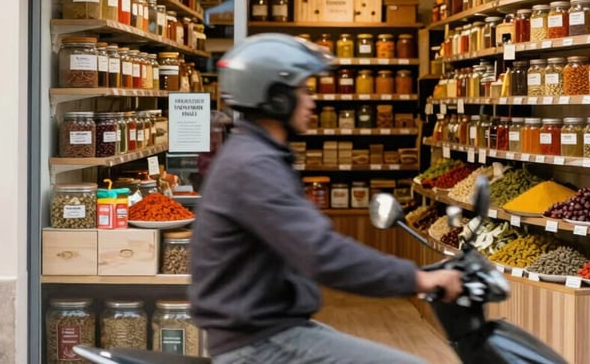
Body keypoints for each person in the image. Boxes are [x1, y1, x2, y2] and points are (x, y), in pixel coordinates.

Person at [190, 33, 463, 364]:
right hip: (260, 343)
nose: (312, 102)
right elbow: (321, 253)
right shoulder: (254, 165)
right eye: (303, 91)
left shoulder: (256, 155)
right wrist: (419, 278)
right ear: (277, 98)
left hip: (274, 328)